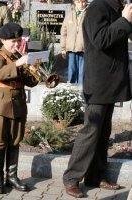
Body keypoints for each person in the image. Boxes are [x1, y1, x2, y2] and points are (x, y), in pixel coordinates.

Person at [63, 0, 132, 198]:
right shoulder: (97, 8)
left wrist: (127, 20)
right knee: (91, 131)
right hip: (99, 83)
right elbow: (99, 39)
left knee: (103, 132)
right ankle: (71, 178)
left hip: (111, 83)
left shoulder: (118, 8)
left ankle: (95, 176)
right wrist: (125, 20)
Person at [0, 22, 39, 194]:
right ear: (3, 40)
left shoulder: (20, 57)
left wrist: (34, 70)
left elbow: (30, 83)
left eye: (18, 40)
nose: (16, 44)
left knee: (15, 140)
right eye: (12, 41)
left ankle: (12, 177)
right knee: (0, 141)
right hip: (0, 105)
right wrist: (18, 64)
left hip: (18, 104)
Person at [60, 0, 87, 84]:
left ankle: (82, 90)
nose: (81, 4)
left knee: (82, 72)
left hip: (83, 48)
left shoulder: (89, 14)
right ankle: (72, 91)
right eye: (79, 2)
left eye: (83, 2)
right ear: (75, 2)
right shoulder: (69, 16)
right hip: (71, 48)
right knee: (72, 71)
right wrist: (63, 48)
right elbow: (64, 33)